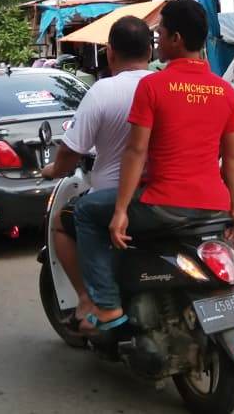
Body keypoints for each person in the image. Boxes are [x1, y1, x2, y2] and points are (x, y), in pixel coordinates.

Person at [72, 0, 234, 331]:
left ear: (177, 39)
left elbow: (136, 152)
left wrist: (121, 210)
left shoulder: (153, 86)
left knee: (85, 212)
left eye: (162, 33)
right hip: (215, 207)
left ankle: (107, 307)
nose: (158, 40)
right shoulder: (225, 92)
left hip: (164, 205)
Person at [39, 16, 153, 318]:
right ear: (151, 52)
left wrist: (53, 170)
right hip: (163, 193)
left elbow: (70, 151)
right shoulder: (163, 87)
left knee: (63, 223)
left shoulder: (102, 91)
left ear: (110, 52)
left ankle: (92, 300)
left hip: (114, 198)